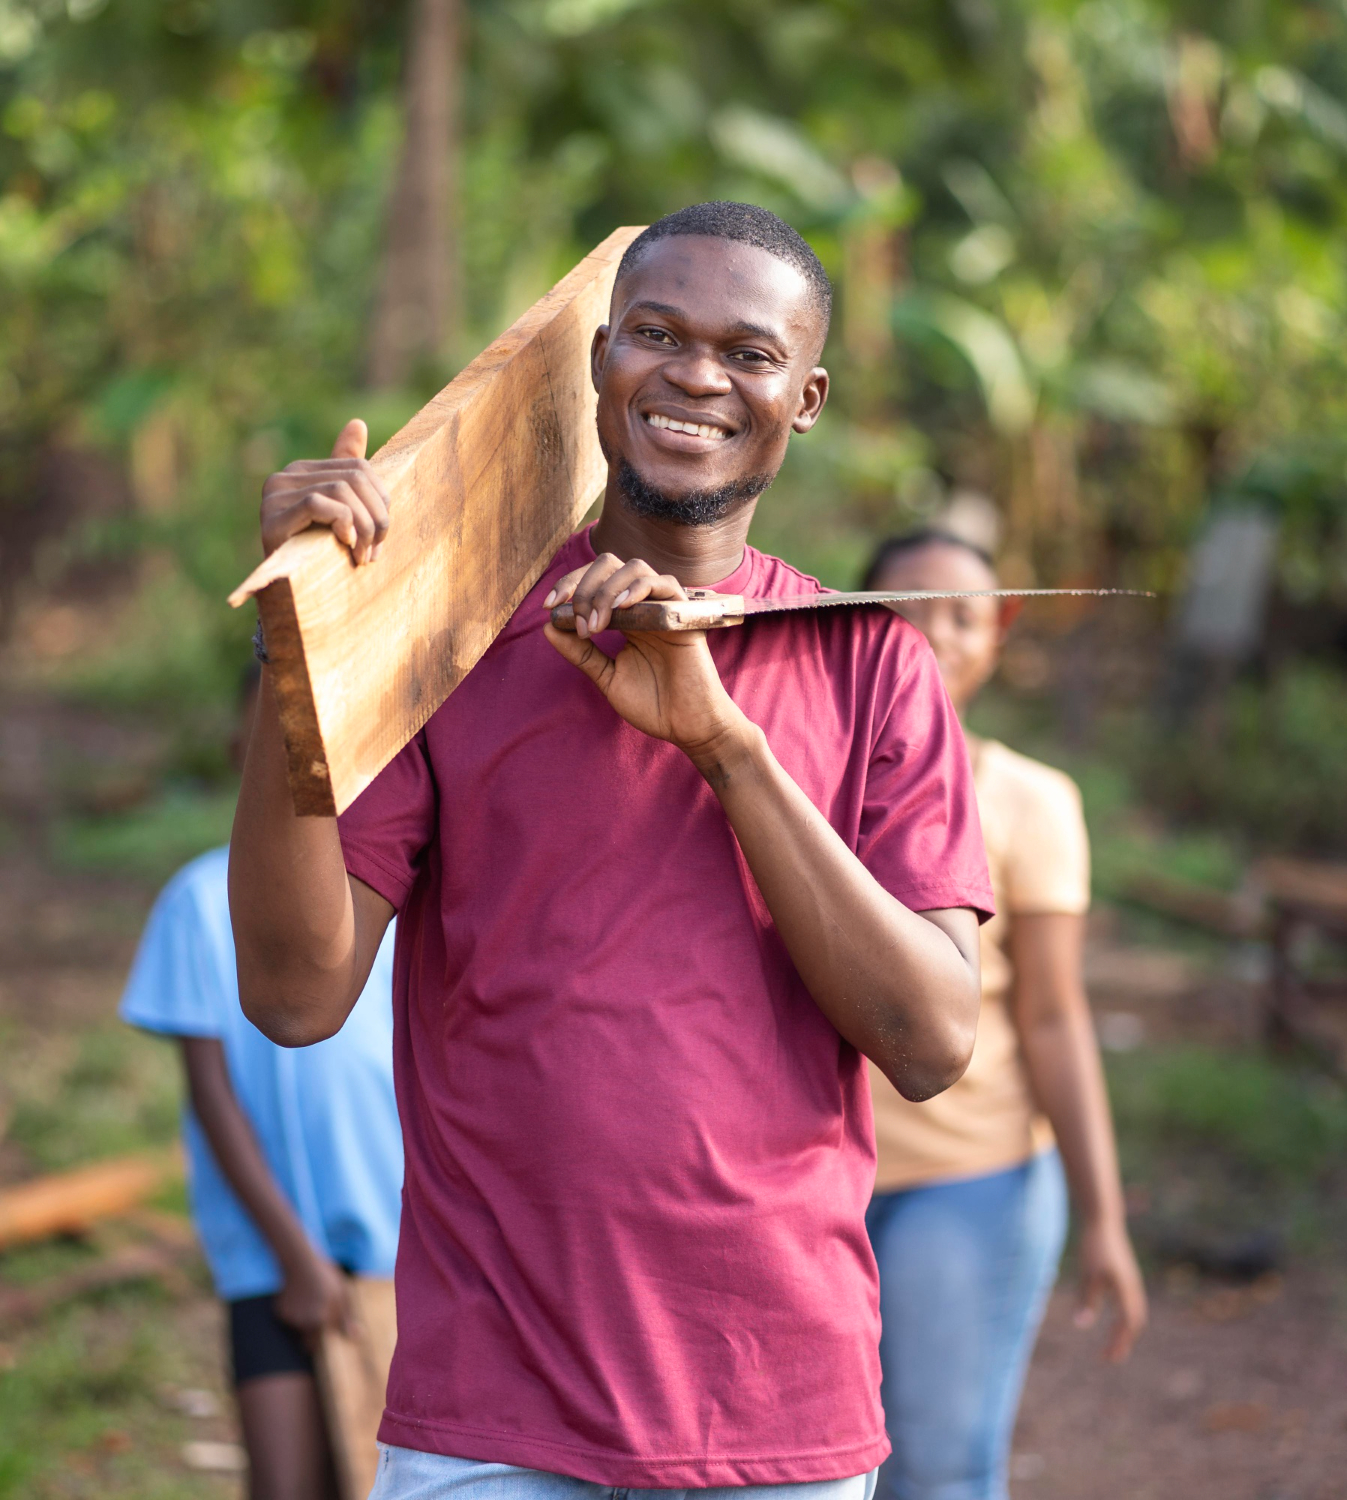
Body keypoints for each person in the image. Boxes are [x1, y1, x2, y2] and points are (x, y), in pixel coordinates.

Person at [229, 201, 995, 1500]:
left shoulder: (871, 661)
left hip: (774, 1410)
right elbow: (295, 997)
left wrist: (720, 741)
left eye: (749, 353)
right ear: (600, 358)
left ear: (804, 400)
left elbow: (929, 1042)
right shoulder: (454, 647)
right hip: (491, 1414)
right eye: (656, 333)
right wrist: (294, 643)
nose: (697, 375)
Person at [860, 530, 1148, 1500]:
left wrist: (1102, 1217)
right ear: (855, 617)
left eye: (965, 615)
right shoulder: (787, 773)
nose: (935, 632)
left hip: (968, 1181)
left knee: (936, 1465)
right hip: (799, 1178)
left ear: (999, 634)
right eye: (908, 604)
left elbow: (1054, 1016)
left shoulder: (1031, 802)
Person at [120, 668, 402, 1500]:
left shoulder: (388, 896)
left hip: (400, 1257)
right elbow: (213, 1101)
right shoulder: (198, 902)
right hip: (269, 1261)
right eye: (275, 739)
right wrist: (295, 1258)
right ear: (235, 754)